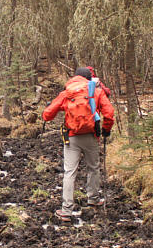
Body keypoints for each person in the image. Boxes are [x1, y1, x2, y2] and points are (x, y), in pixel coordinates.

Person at [42, 66, 115, 221]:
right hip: (91, 136)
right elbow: (109, 113)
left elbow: (47, 115)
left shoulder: (67, 92)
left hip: (72, 137)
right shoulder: (96, 91)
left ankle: (66, 211)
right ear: (89, 79)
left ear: (75, 77)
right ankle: (93, 199)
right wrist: (106, 130)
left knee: (69, 172)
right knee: (93, 168)